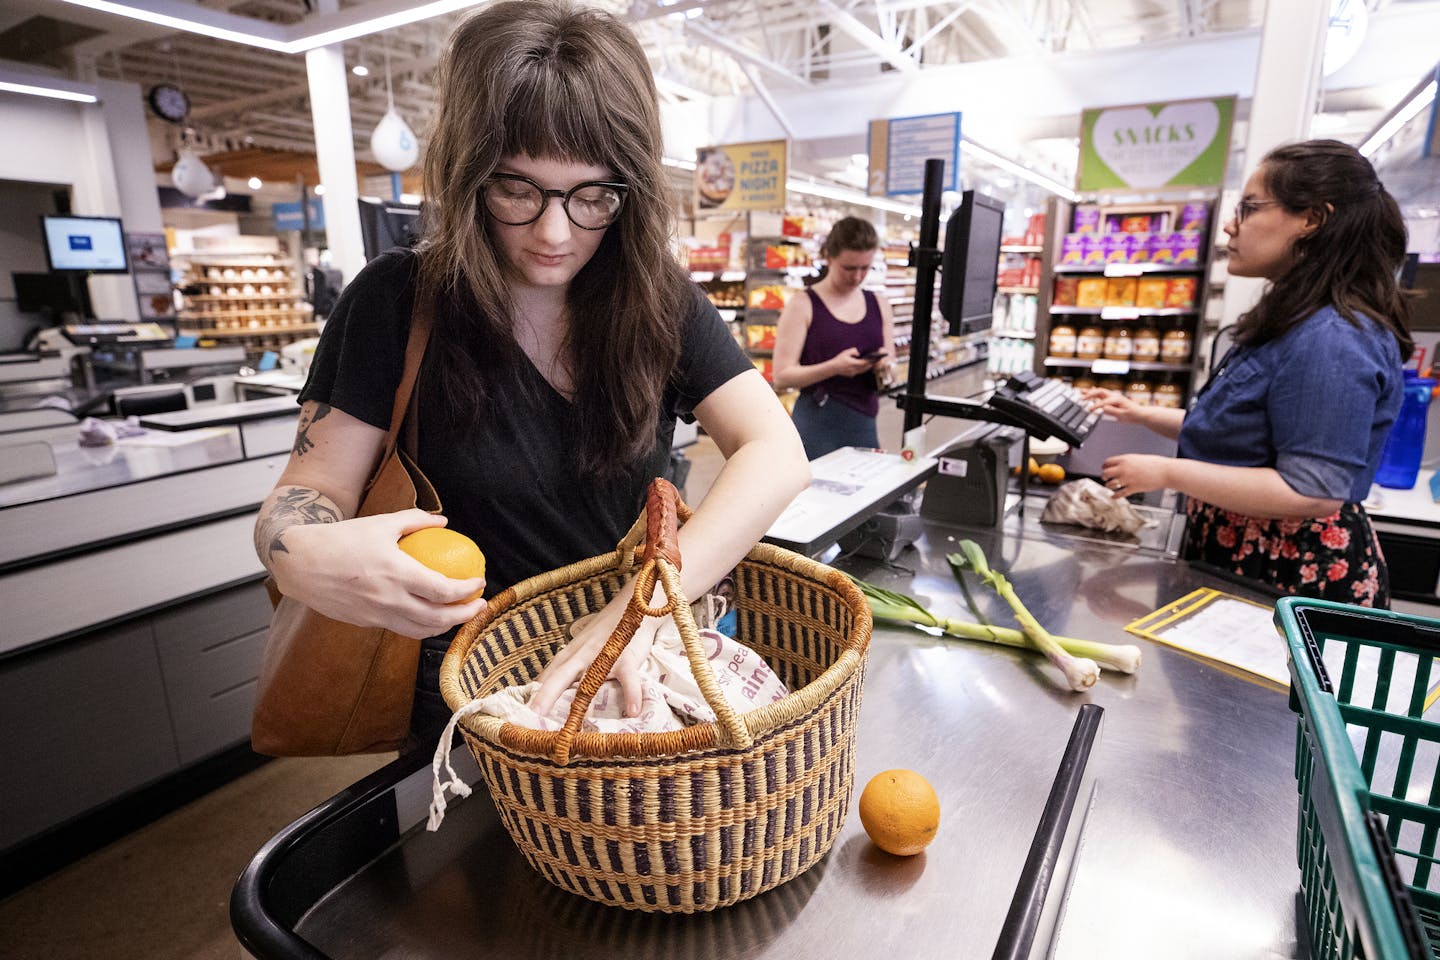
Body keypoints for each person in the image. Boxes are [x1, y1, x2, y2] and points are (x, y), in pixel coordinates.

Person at [251, 0, 810, 750]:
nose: (554, 233)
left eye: (593, 197)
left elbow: (775, 452)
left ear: (631, 192)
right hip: (463, 706)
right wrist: (300, 553)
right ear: (466, 171)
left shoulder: (659, 301)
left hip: (625, 679)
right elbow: (304, 494)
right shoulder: (395, 304)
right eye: (516, 189)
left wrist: (638, 611)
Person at [1085, 139, 1413, 607]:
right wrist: (1142, 414)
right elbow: (1248, 436)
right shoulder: (1297, 317)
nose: (1230, 225)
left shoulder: (1333, 338)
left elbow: (1311, 492)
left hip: (1292, 572)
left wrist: (1167, 471)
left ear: (1312, 219)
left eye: (1249, 208)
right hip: (1249, 556)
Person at [772, 216, 897, 460]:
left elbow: (890, 366)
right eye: (849, 268)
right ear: (828, 256)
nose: (857, 276)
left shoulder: (879, 305)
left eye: (865, 268)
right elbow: (781, 376)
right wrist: (834, 368)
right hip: (817, 424)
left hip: (864, 421)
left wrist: (884, 368)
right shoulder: (803, 305)